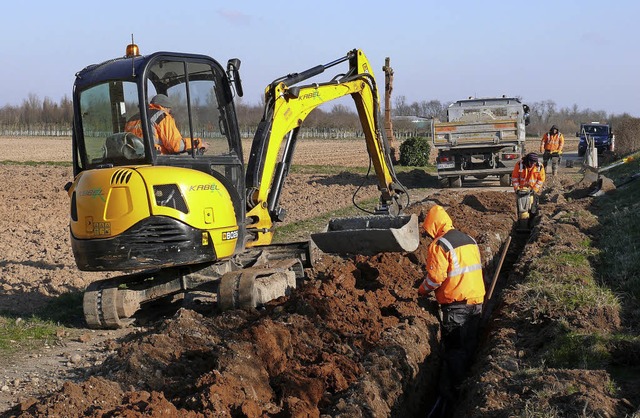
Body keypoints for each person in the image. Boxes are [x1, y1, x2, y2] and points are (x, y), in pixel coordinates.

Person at [417, 205, 485, 399]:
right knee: (470, 344)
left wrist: (421, 291)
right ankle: (471, 380)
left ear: (433, 226)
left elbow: (435, 279)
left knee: (455, 350)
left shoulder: (440, 245)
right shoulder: (469, 240)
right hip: (476, 300)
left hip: (456, 306)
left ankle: (457, 391)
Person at [125, 94, 206, 155]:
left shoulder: (132, 119)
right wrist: (197, 143)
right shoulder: (161, 116)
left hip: (136, 157)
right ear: (165, 107)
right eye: (169, 110)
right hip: (155, 160)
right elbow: (175, 145)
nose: (169, 113)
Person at [512, 152, 545, 227]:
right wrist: (516, 188)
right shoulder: (520, 165)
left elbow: (540, 180)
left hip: (532, 190)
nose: (533, 164)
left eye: (534, 162)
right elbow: (514, 177)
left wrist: (534, 189)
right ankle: (519, 223)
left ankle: (531, 223)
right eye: (531, 162)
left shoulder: (539, 166)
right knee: (520, 209)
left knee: (533, 209)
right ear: (528, 160)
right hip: (520, 191)